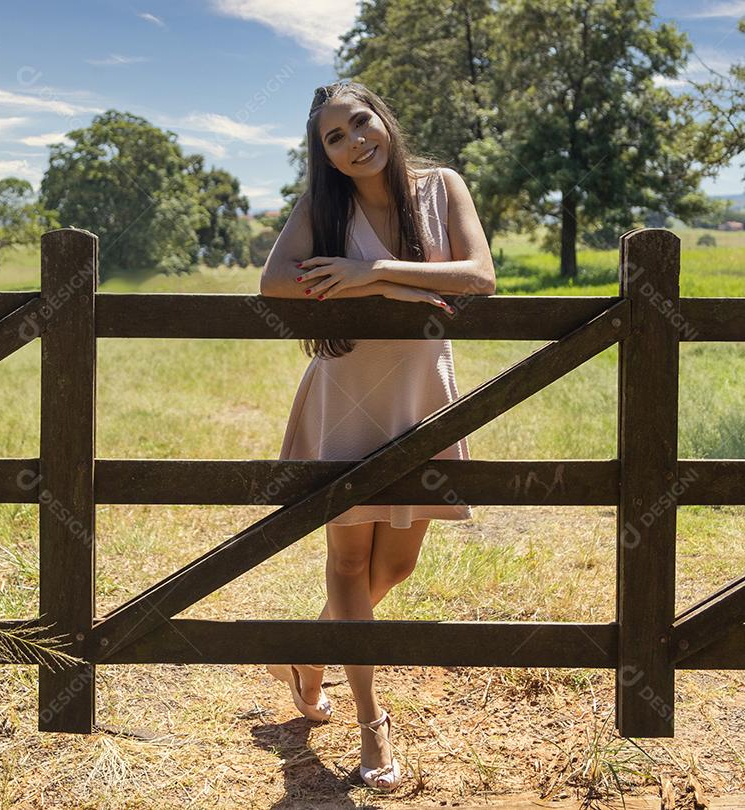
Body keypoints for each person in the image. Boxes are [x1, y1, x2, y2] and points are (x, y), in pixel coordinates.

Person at [259, 80, 496, 792]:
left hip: (420, 400)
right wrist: (383, 292)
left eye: (361, 122)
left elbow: (478, 275)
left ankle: (307, 655)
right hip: (344, 398)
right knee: (347, 563)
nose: (354, 139)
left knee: (393, 568)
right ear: (324, 156)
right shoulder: (321, 209)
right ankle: (371, 725)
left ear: (383, 120)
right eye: (335, 137)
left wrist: (376, 270)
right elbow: (275, 283)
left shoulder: (441, 186)